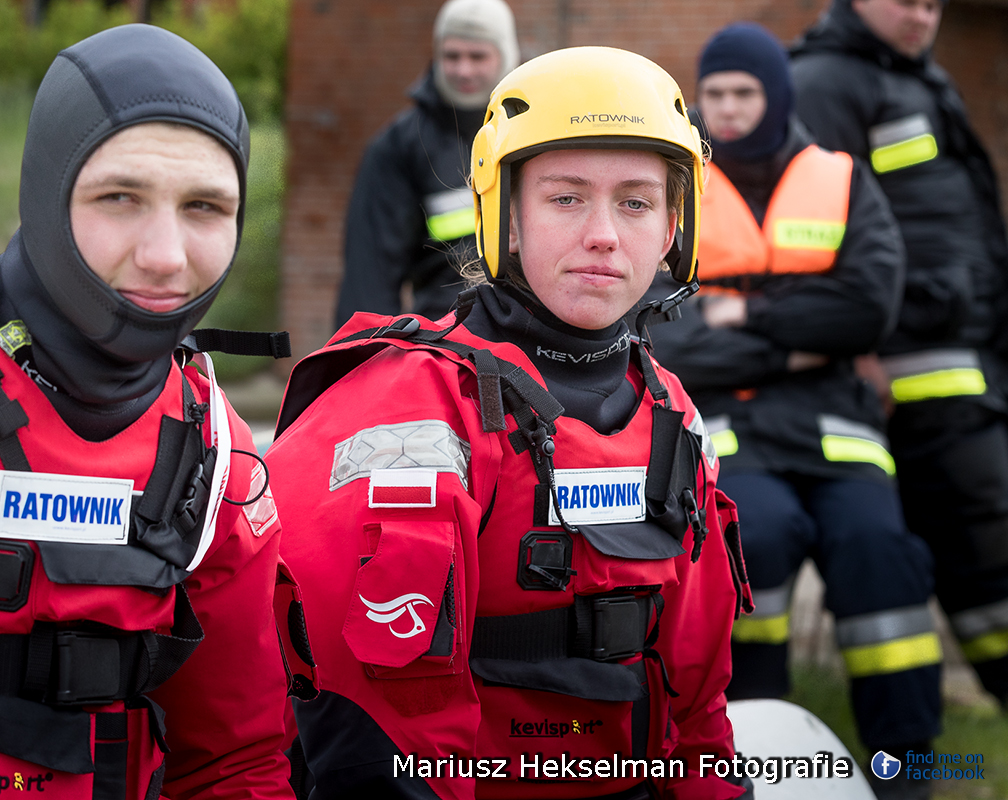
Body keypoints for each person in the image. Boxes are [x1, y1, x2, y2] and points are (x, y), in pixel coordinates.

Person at [0, 25, 300, 800]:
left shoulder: (212, 447)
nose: (166, 255)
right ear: (45, 195)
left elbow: (239, 764)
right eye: (119, 198)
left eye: (205, 207)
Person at [268, 46, 753, 799]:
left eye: (635, 202)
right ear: (508, 218)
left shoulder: (672, 414)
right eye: (566, 199)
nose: (604, 234)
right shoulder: (414, 407)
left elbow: (698, 702)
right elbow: (384, 736)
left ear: (670, 231)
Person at [644, 23, 940, 796]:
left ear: (776, 95)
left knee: (880, 551)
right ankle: (751, 752)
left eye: (744, 92)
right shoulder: (675, 189)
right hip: (730, 427)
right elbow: (667, 335)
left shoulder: (841, 180)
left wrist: (745, 314)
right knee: (755, 539)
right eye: (715, 93)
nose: (728, 108)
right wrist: (798, 342)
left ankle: (909, 770)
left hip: (839, 429)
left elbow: (868, 309)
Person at [791, 0, 1008, 707]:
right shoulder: (825, 82)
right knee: (980, 537)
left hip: (965, 354)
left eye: (932, 4)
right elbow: (808, 235)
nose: (922, 16)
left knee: (983, 539)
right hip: (902, 367)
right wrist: (854, 350)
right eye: (905, 0)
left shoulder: (918, 79)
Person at [332, 0, 519, 328]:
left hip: (538, 338)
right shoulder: (399, 147)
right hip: (449, 340)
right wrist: (363, 353)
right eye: (451, 56)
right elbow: (370, 275)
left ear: (505, 55)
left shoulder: (539, 133)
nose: (463, 70)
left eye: (478, 56)